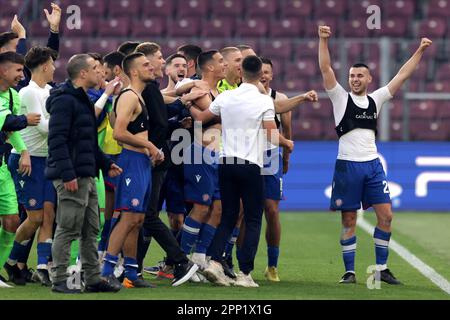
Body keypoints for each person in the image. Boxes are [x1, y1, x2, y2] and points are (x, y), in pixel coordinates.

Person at [318, 25, 432, 284]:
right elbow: (326, 69)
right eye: (352, 75)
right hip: (347, 167)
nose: (355, 79)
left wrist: (420, 50)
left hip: (372, 166)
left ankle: (381, 268)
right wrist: (323, 40)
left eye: (360, 75)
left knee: (387, 216)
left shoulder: (376, 99)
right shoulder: (339, 98)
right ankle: (349, 272)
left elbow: (402, 75)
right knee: (348, 219)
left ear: (369, 79)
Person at [188, 55, 295, 287]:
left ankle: (215, 262)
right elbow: (270, 135)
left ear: (242, 73)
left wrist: (187, 103)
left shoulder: (226, 96)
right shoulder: (264, 101)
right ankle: (245, 274)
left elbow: (202, 117)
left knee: (228, 215)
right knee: (254, 218)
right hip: (250, 165)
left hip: (225, 163)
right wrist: (286, 143)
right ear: (259, 75)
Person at [46, 54, 123, 294]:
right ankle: (59, 280)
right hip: (72, 176)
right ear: (82, 74)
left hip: (87, 174)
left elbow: (87, 140)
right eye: (95, 68)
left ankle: (92, 278)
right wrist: (68, 174)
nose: (100, 72)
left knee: (91, 229)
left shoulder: (80, 101)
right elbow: (56, 140)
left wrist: (105, 162)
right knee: (68, 227)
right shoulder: (65, 101)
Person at [133, 43, 201, 286]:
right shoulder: (148, 89)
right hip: (150, 159)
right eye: (161, 58)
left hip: (153, 160)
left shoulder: (149, 88)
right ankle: (134, 267)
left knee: (143, 216)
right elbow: (159, 113)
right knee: (140, 217)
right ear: (147, 62)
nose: (162, 62)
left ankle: (133, 268)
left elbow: (159, 117)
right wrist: (184, 102)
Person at [101, 52, 163, 289]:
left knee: (137, 219)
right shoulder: (128, 96)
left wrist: (150, 151)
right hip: (131, 162)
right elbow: (119, 132)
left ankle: (131, 273)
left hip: (142, 162)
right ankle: (106, 271)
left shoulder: (138, 96)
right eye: (146, 64)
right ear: (134, 71)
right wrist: (149, 145)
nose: (151, 66)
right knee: (127, 218)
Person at [5, 47, 57, 287]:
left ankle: (42, 267)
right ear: (45, 65)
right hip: (27, 159)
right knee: (34, 217)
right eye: (53, 64)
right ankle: (11, 261)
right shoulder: (29, 92)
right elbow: (44, 128)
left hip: (46, 159)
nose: (56, 68)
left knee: (48, 216)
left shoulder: (49, 90)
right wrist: (66, 119)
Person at [180, 50, 226, 272]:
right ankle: (182, 260)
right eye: (220, 62)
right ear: (209, 67)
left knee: (218, 208)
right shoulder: (199, 87)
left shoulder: (217, 90)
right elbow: (202, 117)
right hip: (200, 153)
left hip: (217, 155)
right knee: (201, 206)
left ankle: (199, 258)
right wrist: (187, 104)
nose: (224, 64)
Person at [0, 52, 41, 288]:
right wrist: (26, 119)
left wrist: (23, 151)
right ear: (4, 71)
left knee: (12, 221)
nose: (21, 75)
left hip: (2, 166)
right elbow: (6, 122)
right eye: (17, 70)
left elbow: (10, 131)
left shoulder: (14, 96)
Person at [260, 57, 292, 282]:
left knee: (271, 210)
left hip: (271, 158)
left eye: (267, 72)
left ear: (272, 75)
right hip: (247, 157)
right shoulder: (244, 97)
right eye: (260, 71)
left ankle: (272, 265)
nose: (264, 75)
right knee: (243, 213)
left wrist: (286, 157)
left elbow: (288, 131)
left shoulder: (280, 99)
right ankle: (240, 264)